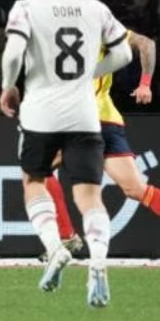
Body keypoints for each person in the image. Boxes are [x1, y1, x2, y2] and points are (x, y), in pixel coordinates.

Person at [0, 0, 132, 307]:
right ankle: (98, 260)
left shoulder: (26, 7)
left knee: (34, 181)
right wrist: (90, 74)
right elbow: (123, 54)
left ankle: (56, 248)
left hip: (40, 113)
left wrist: (8, 86)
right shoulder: (95, 8)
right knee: (89, 195)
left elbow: (13, 52)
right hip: (84, 115)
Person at [44, 30, 160, 250]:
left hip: (83, 119)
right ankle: (67, 237)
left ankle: (67, 236)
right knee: (137, 190)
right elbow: (147, 44)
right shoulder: (103, 29)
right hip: (108, 122)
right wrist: (145, 84)